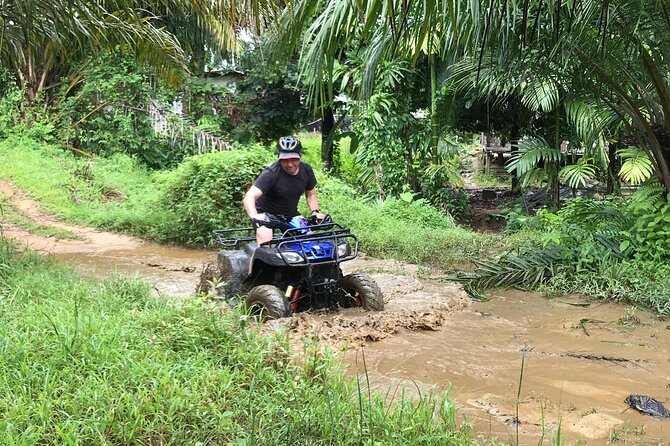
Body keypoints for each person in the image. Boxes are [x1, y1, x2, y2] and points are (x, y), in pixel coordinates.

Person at [243, 136, 325, 244]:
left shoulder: (306, 170)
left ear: (300, 156)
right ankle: (254, 260)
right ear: (279, 158)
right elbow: (249, 197)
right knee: (265, 246)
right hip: (266, 215)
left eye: (293, 159)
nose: (290, 164)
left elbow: (310, 194)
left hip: (290, 214)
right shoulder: (271, 173)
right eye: (285, 160)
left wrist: (315, 212)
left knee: (309, 241)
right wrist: (255, 217)